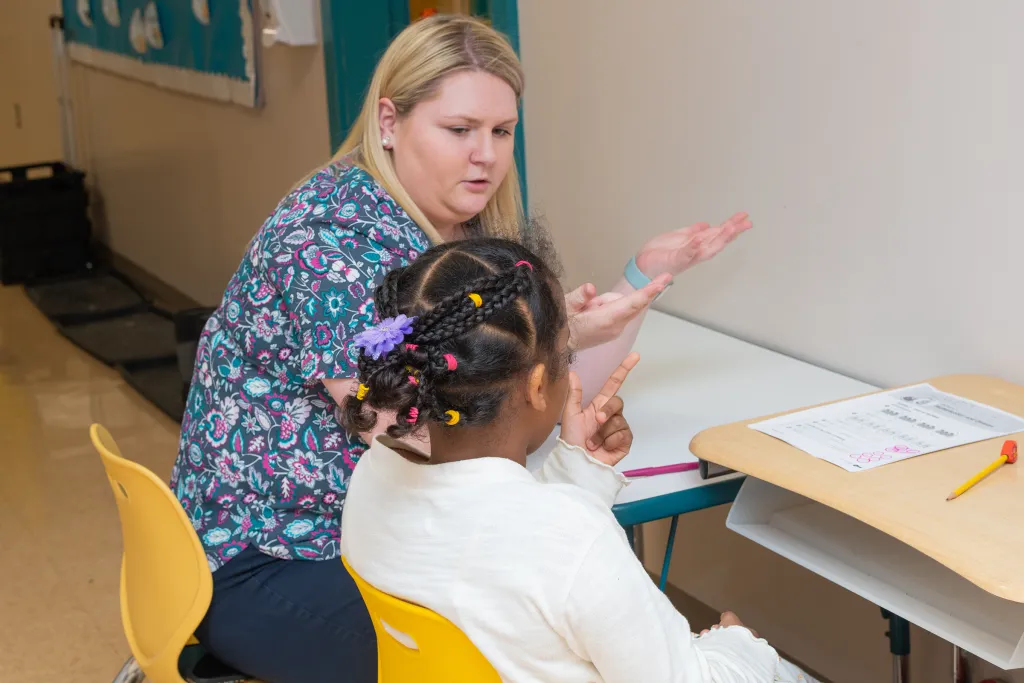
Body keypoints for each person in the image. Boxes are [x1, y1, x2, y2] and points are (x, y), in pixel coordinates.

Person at [171, 13, 751, 683]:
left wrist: (634, 283)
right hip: (273, 554)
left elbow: (515, 396)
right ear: (388, 122)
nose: (487, 155)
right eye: (460, 130)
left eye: (502, 131)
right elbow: (418, 426)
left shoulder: (450, 223)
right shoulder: (331, 242)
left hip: (375, 528)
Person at [340, 237, 815, 683]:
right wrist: (741, 645)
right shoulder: (571, 540)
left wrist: (576, 471)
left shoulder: (373, 476)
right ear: (536, 385)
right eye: (567, 355)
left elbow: (500, 546)